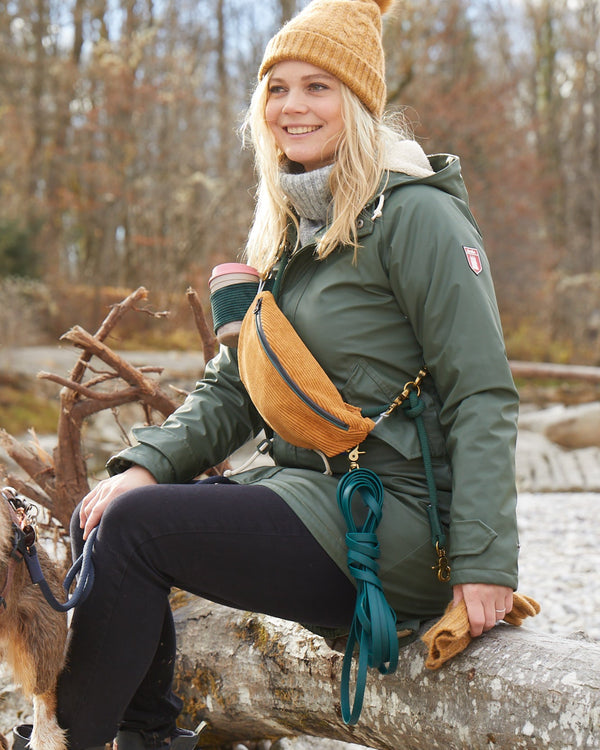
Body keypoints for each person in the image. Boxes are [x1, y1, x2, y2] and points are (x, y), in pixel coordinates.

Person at [17, 0, 520, 748]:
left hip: (398, 523)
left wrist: (486, 562)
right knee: (111, 512)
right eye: (277, 87)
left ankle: (69, 742)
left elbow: (483, 393)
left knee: (134, 532)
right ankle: (143, 736)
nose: (293, 106)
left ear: (358, 103)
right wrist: (145, 466)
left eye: (318, 86)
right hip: (310, 496)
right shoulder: (293, 227)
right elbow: (237, 382)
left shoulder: (419, 220)